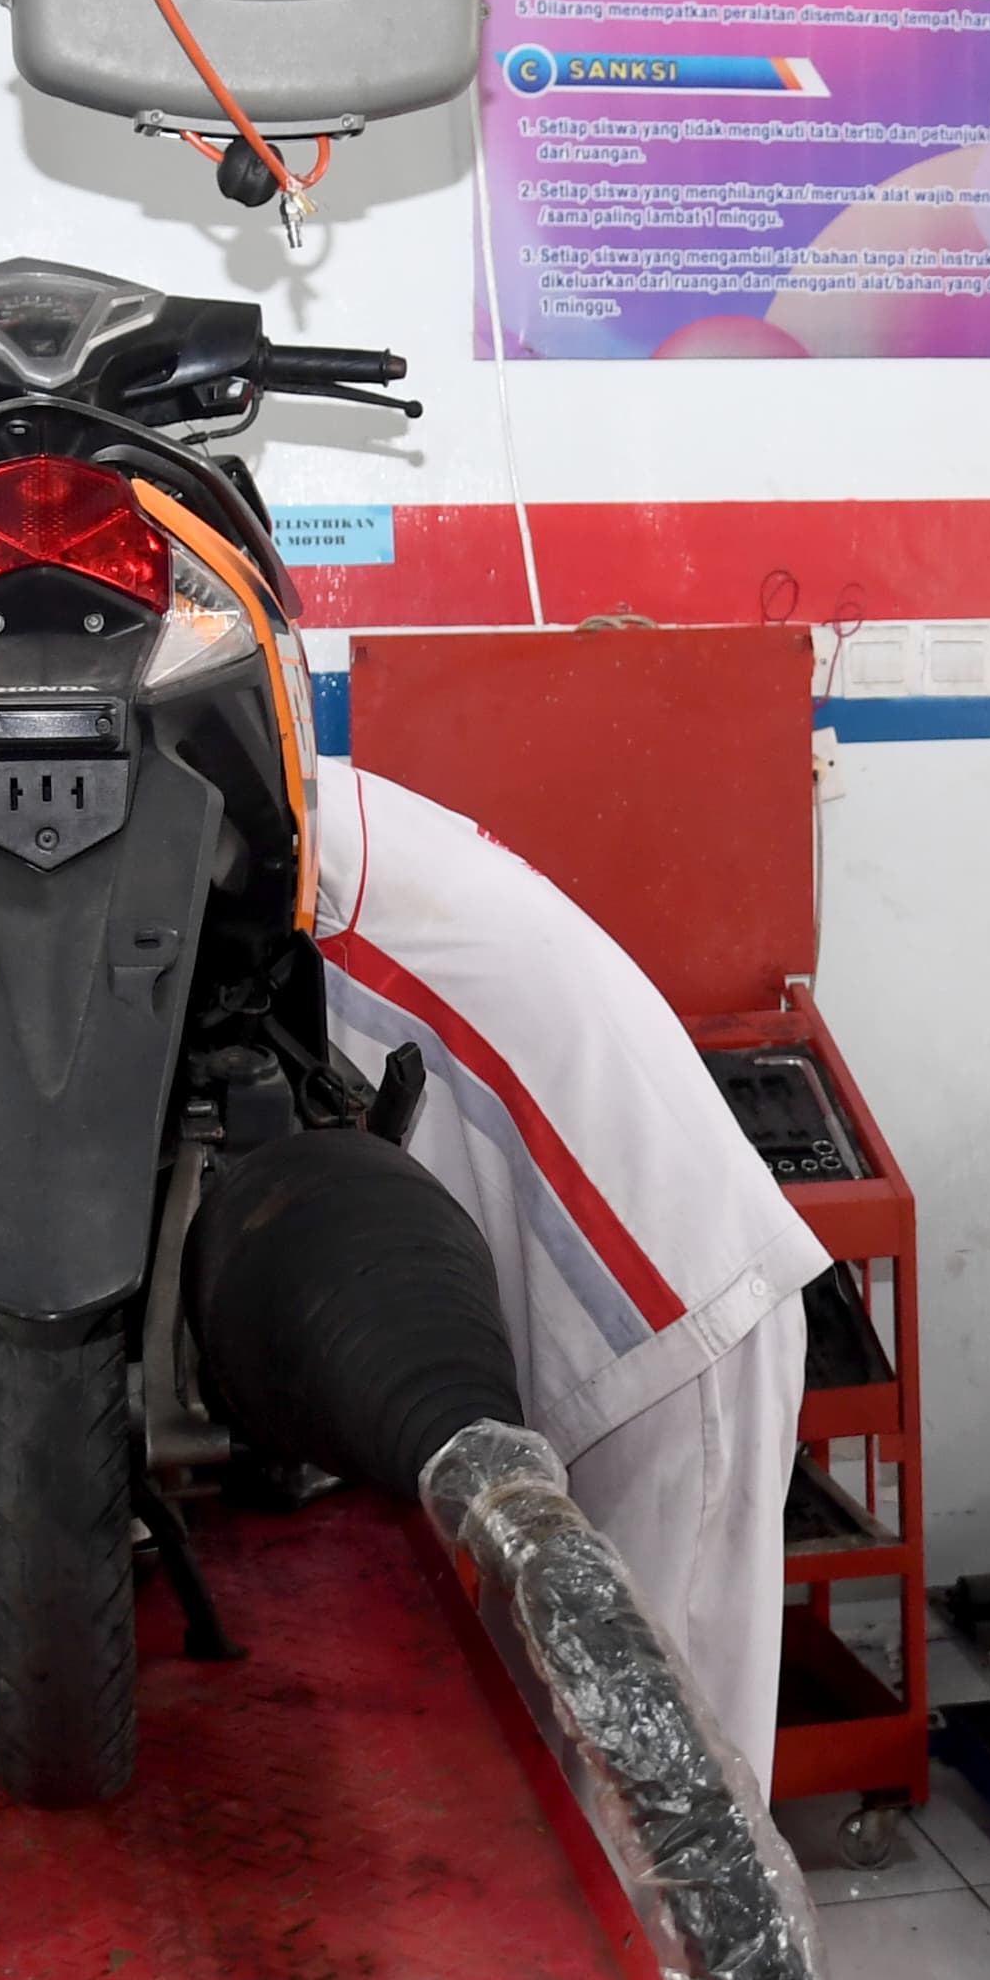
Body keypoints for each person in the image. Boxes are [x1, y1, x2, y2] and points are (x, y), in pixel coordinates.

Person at [306, 757, 822, 1782]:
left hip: (668, 1335)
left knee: (663, 1808)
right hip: (586, 1322)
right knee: (540, 1789)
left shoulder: (273, 861)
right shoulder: (304, 807)